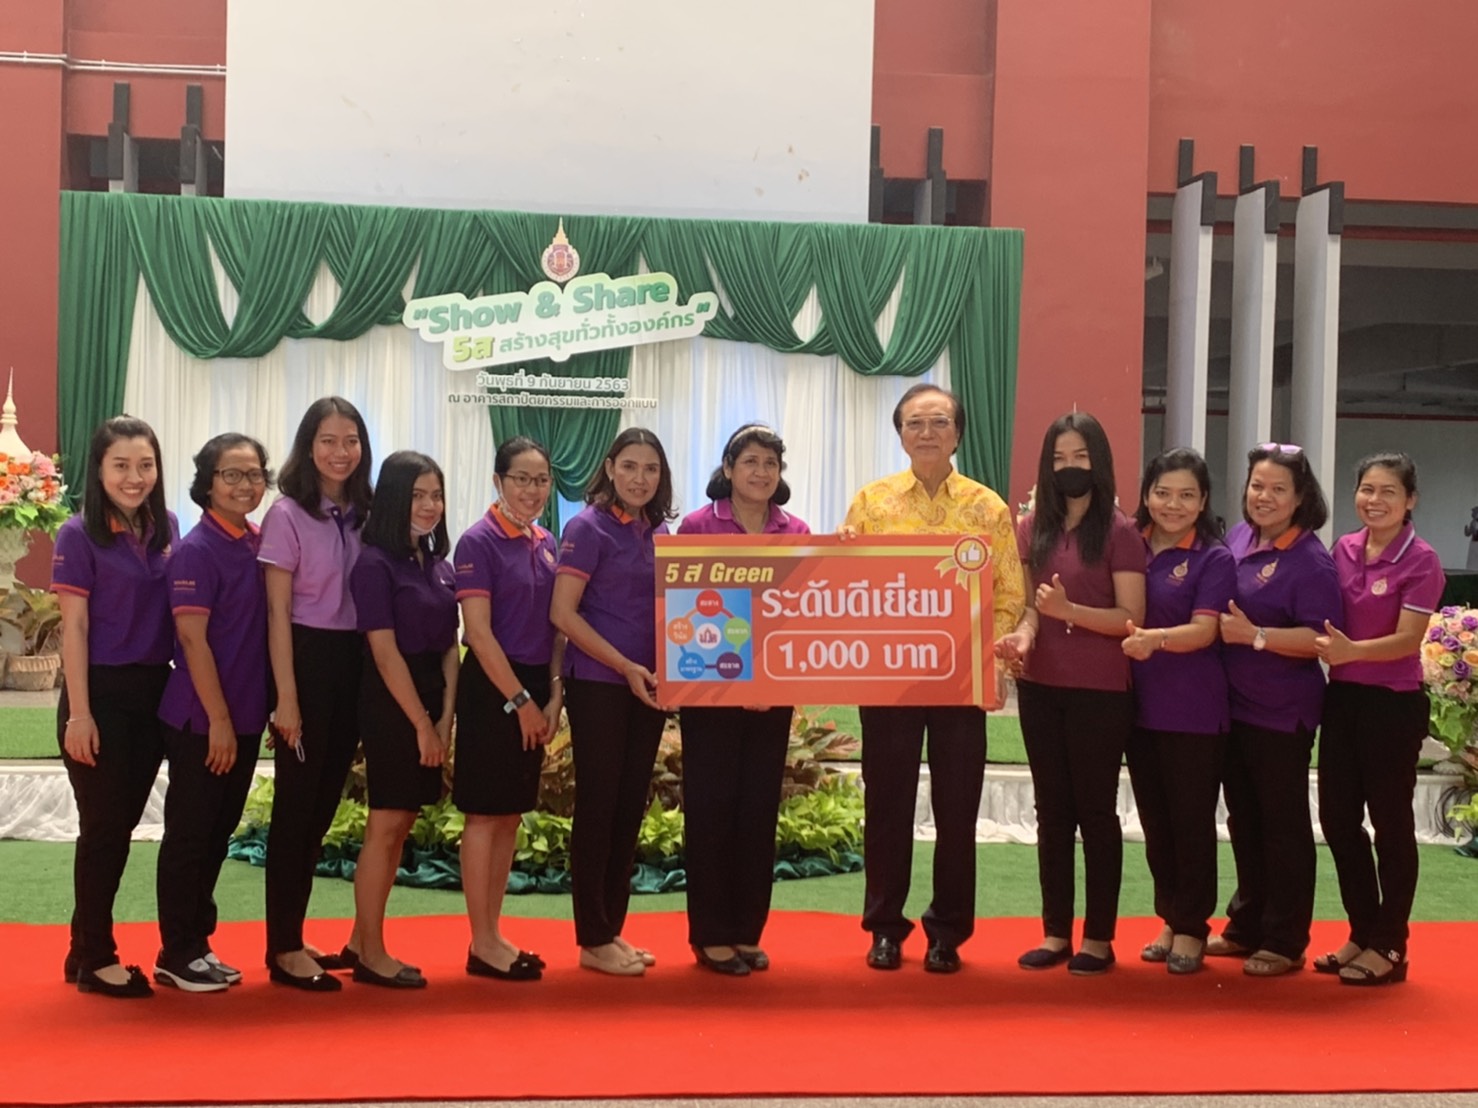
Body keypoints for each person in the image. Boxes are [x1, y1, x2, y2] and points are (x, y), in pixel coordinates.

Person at [842, 384, 1024, 974]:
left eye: (939, 422)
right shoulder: (870, 503)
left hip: (959, 684)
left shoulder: (987, 508)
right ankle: (884, 928)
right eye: (915, 423)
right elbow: (846, 586)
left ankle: (948, 932)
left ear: (958, 433)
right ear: (900, 433)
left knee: (957, 810)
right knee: (887, 806)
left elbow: (1009, 596)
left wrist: (991, 666)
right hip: (889, 682)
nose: (927, 432)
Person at [995, 411, 1145, 976]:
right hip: (1041, 686)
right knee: (1051, 812)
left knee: (1095, 813)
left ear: (1098, 461)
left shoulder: (1120, 531)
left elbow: (1132, 618)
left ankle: (1099, 938)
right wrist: (1023, 635)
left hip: (1100, 691)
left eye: (1080, 457)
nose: (1069, 467)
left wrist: (1070, 612)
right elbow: (1032, 607)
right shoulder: (1032, 526)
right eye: (1059, 458)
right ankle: (1055, 931)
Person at [677, 424, 810, 976]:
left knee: (758, 812)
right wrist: (737, 684)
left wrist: (769, 684)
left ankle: (746, 931)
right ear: (728, 469)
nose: (761, 472)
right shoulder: (697, 526)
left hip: (772, 695)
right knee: (711, 811)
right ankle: (711, 935)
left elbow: (803, 613)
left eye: (770, 464)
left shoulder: (796, 531)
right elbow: (682, 610)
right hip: (709, 692)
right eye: (750, 461)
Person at [51, 416, 177, 999]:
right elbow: (73, 628)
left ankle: (82, 946)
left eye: (145, 465)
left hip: (152, 693)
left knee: (119, 827)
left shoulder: (166, 526)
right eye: (121, 465)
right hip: (97, 694)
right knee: (102, 827)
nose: (134, 477)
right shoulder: (78, 534)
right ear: (99, 470)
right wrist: (80, 714)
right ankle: (99, 959)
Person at [1210, 443, 1342, 977]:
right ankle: (1246, 925)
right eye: (1257, 486)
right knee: (1244, 821)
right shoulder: (1240, 537)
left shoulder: (1311, 560)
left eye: (1278, 489)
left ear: (1301, 497)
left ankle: (1286, 939)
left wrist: (1256, 635)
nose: (1264, 497)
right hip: (1231, 708)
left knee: (1282, 826)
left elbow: (1321, 640)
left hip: (1281, 712)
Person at [1313, 452, 1444, 986]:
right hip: (1343, 700)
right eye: (1367, 489)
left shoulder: (1423, 560)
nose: (1375, 500)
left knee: (1390, 825)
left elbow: (1409, 639)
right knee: (1337, 819)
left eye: (1389, 491)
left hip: (1393, 704)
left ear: (1410, 500)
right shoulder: (1343, 548)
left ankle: (1391, 943)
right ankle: (1363, 931)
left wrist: (1351, 652)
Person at [550, 427, 676, 977]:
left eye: (650, 469)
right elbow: (563, 613)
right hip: (600, 683)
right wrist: (624, 665)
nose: (639, 479)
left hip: (648, 687)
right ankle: (592, 937)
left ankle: (611, 930)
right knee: (599, 806)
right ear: (608, 468)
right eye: (629, 466)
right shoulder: (587, 526)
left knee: (629, 806)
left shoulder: (659, 531)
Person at [258, 396, 373, 992]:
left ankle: (293, 937)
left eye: (351, 440)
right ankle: (282, 947)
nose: (340, 452)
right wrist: (287, 697)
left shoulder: (365, 512)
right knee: (295, 811)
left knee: (322, 808)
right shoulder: (287, 514)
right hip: (305, 658)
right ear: (308, 447)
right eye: (328, 440)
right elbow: (277, 612)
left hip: (353, 661)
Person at [154, 434, 273, 992]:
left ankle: (198, 944)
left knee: (218, 834)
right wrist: (218, 721)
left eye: (254, 474)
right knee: (190, 835)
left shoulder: (257, 542)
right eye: (232, 474)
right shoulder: (197, 550)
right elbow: (192, 640)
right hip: (201, 720)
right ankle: (176, 951)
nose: (245, 485)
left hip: (246, 714)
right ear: (207, 482)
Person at [452, 436, 565, 983]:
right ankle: (480, 941)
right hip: (493, 688)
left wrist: (553, 692)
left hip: (535, 685)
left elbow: (557, 625)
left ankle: (494, 933)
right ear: (498, 481)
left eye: (541, 480)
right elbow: (477, 632)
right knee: (484, 814)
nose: (532, 490)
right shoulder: (478, 541)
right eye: (521, 479)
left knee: (510, 814)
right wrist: (519, 701)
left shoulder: (546, 542)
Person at [345, 451, 459, 988]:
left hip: (432, 699)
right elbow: (384, 652)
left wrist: (446, 718)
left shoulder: (436, 564)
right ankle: (372, 951)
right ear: (393, 499)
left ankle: (359, 938)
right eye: (417, 495)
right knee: (386, 823)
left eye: (436, 495)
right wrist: (420, 724)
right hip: (392, 703)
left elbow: (450, 647)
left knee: (402, 822)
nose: (430, 505)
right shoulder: (374, 563)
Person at [1119, 447, 1235, 975]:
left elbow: (1205, 630)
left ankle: (1192, 926)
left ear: (1203, 501)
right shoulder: (1128, 544)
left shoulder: (1214, 558)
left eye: (1187, 495)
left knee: (1190, 824)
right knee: (1156, 822)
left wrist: (1155, 639)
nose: (1173, 504)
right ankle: (1170, 917)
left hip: (1193, 710)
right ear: (1146, 495)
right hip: (1135, 709)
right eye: (1163, 493)